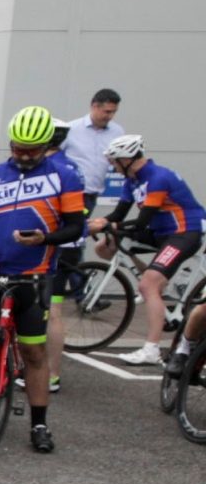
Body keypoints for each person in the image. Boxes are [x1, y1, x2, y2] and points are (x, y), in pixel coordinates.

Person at [0, 107, 84, 453]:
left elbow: (76, 226)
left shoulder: (65, 176)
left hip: (34, 276)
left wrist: (43, 239)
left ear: (47, 147)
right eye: (18, 148)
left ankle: (39, 423)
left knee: (33, 350)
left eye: (32, 150)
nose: (24, 155)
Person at [97, 134, 202, 367]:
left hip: (184, 233)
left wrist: (107, 224)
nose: (113, 166)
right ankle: (157, 282)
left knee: (147, 285)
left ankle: (151, 350)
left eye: (115, 161)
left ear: (127, 158)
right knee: (106, 245)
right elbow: (118, 217)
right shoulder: (132, 180)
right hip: (160, 232)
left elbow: (142, 221)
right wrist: (95, 223)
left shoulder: (157, 177)